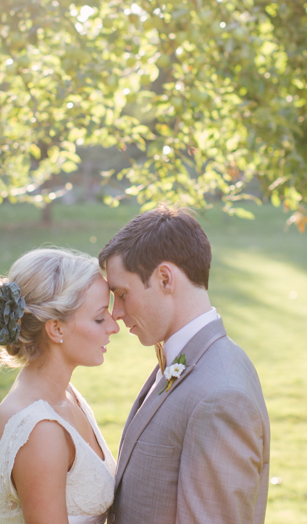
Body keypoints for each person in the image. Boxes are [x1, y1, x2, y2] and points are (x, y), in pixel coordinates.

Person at [99, 205, 270, 524]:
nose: (116, 313)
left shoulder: (222, 396)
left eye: (122, 294)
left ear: (164, 278)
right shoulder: (187, 359)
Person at [0, 247, 119, 524]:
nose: (114, 326)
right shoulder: (38, 430)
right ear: (56, 329)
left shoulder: (67, 395)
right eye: (99, 317)